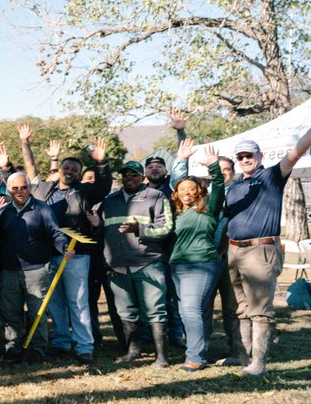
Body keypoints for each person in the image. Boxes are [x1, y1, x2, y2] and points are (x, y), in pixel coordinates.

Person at [225, 100, 311, 377]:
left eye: (250, 155)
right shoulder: (234, 184)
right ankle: (244, 356)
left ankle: (258, 363)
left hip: (261, 251)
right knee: (241, 308)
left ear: (259, 156)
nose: (245, 159)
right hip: (234, 251)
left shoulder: (272, 176)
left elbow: (295, 154)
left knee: (260, 310)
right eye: (241, 156)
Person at [29, 137, 113, 365]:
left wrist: (101, 164)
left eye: (75, 170)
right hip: (49, 255)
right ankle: (61, 342)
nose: (70, 172)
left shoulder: (84, 191)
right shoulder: (46, 190)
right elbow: (26, 180)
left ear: (79, 173)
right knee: (55, 302)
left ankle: (84, 345)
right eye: (66, 168)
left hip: (76, 255)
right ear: (59, 170)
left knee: (78, 301)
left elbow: (104, 186)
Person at [0, 171, 71, 365]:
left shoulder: (42, 208)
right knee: (10, 311)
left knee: (37, 312)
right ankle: (12, 347)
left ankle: (37, 349)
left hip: (37, 270)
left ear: (30, 188)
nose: (19, 191)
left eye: (23, 187)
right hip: (9, 270)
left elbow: (55, 233)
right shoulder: (3, 211)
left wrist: (64, 246)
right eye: (15, 188)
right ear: (8, 189)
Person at [98, 161, 174, 368]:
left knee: (155, 310)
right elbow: (103, 230)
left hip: (147, 263)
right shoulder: (110, 200)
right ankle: (133, 351)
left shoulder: (156, 196)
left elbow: (166, 227)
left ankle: (162, 357)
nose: (129, 178)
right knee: (126, 311)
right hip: (117, 265)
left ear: (143, 177)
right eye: (125, 175)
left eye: (134, 175)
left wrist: (139, 228)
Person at [169, 146, 225, 371]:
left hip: (201, 264)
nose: (186, 192)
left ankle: (195, 358)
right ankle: (197, 351)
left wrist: (214, 165)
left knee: (191, 311)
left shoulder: (209, 208)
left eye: (191, 188)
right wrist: (180, 158)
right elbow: (174, 179)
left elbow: (219, 185)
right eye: (182, 189)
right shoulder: (177, 213)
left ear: (200, 191)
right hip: (178, 265)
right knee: (186, 311)